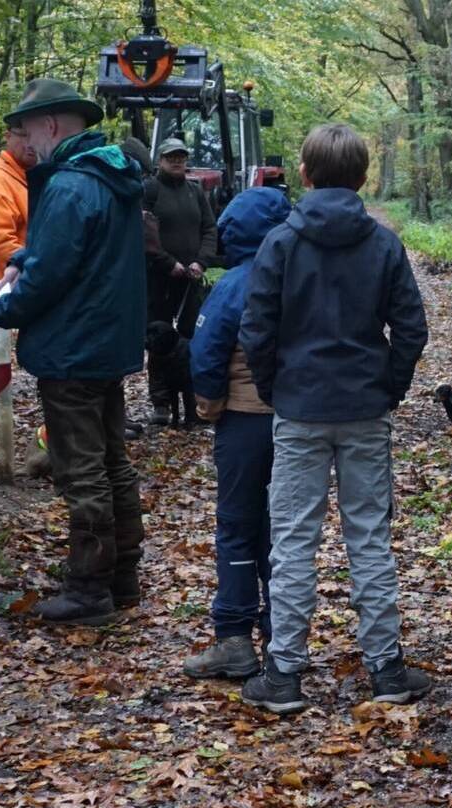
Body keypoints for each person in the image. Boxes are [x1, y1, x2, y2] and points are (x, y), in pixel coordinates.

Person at [237, 123, 430, 714]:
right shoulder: (383, 245)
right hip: (362, 409)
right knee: (368, 537)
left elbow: (257, 330)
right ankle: (387, 671)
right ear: (363, 176)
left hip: (301, 409)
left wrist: (278, 390)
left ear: (304, 174)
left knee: (294, 538)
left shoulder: (281, 243)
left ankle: (285, 673)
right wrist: (387, 388)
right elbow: (411, 329)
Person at [0, 78, 148, 625]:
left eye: (29, 130)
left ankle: (89, 588)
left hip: (73, 348)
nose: (27, 141)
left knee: (82, 471)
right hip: (106, 343)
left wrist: (0, 308)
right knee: (112, 462)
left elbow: (54, 274)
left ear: (51, 125)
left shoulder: (71, 185)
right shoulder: (111, 177)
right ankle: (123, 573)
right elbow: (75, 255)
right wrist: (28, 259)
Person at [182, 186, 294, 680]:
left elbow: (206, 348)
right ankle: (281, 635)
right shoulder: (299, 274)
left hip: (244, 421)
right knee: (283, 530)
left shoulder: (233, 283)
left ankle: (233, 636)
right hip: (295, 423)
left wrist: (211, 401)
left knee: (236, 524)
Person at [0, 123, 46, 480]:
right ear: (9, 137)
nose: (30, 143)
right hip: (19, 293)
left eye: (33, 135)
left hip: (39, 292)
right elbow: (1, 244)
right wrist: (41, 274)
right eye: (23, 135)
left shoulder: (36, 176)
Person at [144, 137, 220, 425]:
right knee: (159, 342)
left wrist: (201, 260)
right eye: (171, 157)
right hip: (160, 281)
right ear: (160, 160)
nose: (177, 161)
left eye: (181, 157)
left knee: (192, 338)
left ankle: (194, 400)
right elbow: (144, 232)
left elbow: (210, 227)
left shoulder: (195, 191)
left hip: (192, 279)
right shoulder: (150, 190)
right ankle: (161, 404)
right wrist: (168, 263)